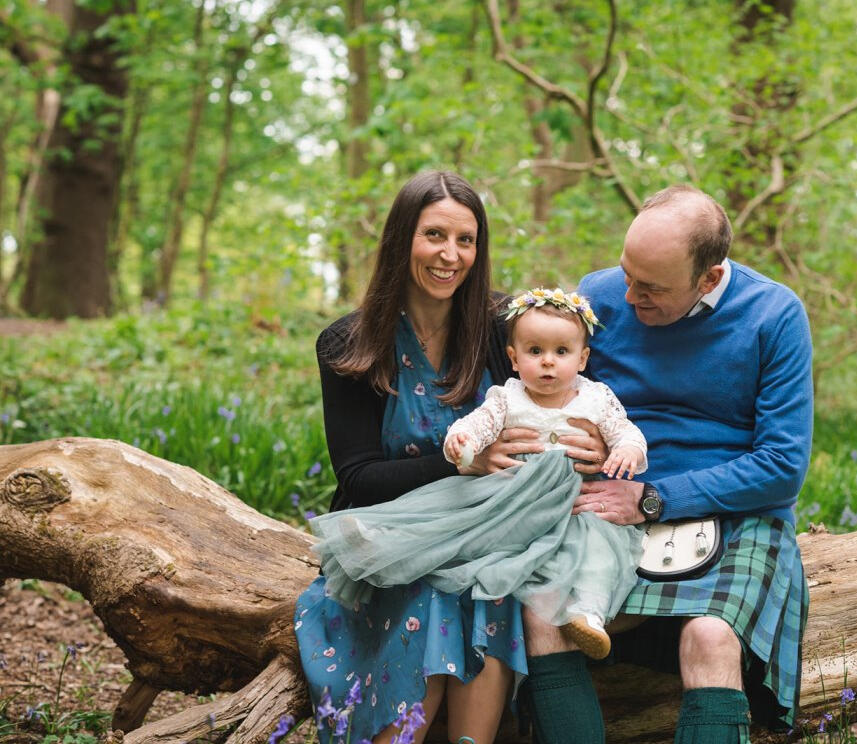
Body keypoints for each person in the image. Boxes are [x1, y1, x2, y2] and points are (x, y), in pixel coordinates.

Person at [293, 172, 607, 744]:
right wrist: (463, 463)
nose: (451, 255)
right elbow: (358, 478)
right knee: (438, 592)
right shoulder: (351, 343)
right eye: (434, 235)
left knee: (488, 585)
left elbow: (578, 386)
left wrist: (600, 442)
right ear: (400, 240)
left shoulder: (503, 326)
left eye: (466, 240)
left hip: (494, 532)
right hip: (393, 537)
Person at [520, 184, 814, 744]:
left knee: (709, 637)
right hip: (607, 504)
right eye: (627, 273)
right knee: (545, 613)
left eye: (651, 287)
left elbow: (781, 465)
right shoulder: (599, 295)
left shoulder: (774, 314)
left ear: (708, 277)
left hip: (732, 510)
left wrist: (656, 498)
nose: (628, 296)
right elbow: (558, 391)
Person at [310, 289, 648, 663]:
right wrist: (462, 441)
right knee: (459, 522)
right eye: (535, 352)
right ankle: (383, 539)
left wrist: (625, 449)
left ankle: (587, 614)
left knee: (594, 549)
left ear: (583, 358)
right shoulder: (507, 396)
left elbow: (624, 430)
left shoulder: (596, 398)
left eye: (561, 353)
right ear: (514, 359)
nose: (548, 363)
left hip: (572, 501)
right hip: (510, 494)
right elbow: (478, 424)